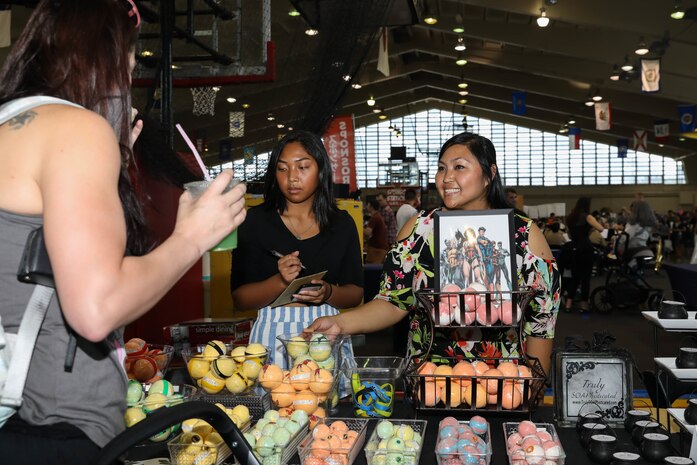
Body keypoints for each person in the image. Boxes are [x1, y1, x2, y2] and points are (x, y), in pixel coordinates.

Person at [0, 1, 247, 463]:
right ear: (104, 60)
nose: (127, 85)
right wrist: (192, 238)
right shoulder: (76, 129)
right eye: (129, 66)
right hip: (54, 430)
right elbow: (95, 309)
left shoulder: (15, 122)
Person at [307, 132, 560, 377]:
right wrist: (340, 324)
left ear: (489, 175)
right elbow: (393, 301)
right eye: (442, 168)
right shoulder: (419, 230)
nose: (446, 177)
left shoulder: (523, 234)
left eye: (459, 167)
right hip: (429, 378)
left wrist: (535, 381)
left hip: (503, 380)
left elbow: (542, 317)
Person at [230, 130, 363, 370]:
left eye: (302, 167)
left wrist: (329, 292)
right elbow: (240, 299)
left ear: (321, 170)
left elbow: (355, 293)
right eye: (282, 169)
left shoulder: (341, 224)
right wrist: (281, 282)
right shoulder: (255, 221)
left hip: (327, 335)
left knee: (329, 402)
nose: (292, 178)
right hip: (271, 339)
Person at [563, 197, 604, 312]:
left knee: (575, 278)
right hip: (586, 249)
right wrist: (588, 230)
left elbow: (570, 236)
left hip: (574, 249)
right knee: (585, 278)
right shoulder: (587, 216)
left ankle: (568, 305)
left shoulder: (570, 218)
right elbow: (600, 229)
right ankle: (584, 305)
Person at [364, 197, 389, 264]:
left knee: (373, 271)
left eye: (367, 205)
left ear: (371, 206)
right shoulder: (377, 216)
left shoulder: (375, 218)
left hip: (377, 249)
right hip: (379, 248)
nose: (366, 207)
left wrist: (358, 226)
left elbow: (367, 232)